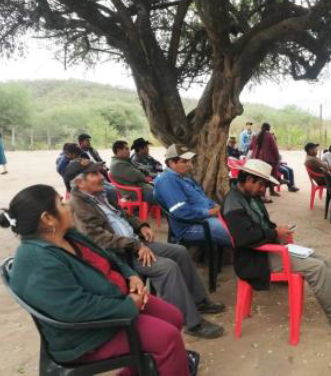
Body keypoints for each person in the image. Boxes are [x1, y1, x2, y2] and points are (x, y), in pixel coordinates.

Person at [1, 184, 196, 374]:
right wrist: (128, 305)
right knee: (168, 338)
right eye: (61, 203)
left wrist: (131, 275)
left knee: (174, 317)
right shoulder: (37, 261)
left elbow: (107, 257)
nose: (68, 204)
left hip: (116, 300)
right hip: (89, 335)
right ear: (48, 218)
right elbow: (76, 309)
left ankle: (143, 368)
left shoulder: (67, 235)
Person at [67, 159, 225, 339]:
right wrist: (135, 245)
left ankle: (199, 301)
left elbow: (123, 215)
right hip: (120, 255)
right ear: (80, 183)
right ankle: (191, 322)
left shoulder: (100, 194)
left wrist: (141, 225)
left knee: (180, 252)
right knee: (167, 268)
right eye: (94, 174)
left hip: (135, 243)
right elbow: (100, 240)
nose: (100, 177)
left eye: (98, 172)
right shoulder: (79, 206)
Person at [222, 159, 331, 335]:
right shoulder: (233, 203)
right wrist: (275, 234)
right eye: (261, 185)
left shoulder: (250, 197)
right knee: (317, 268)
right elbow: (244, 237)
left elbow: (260, 226)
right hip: (254, 259)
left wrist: (277, 230)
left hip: (267, 249)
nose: (263, 190)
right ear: (249, 180)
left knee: (325, 261)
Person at [153, 144, 232, 247]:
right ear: (171, 163)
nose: (189, 165)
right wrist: (209, 212)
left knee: (238, 224)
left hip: (205, 219)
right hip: (191, 226)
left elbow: (201, 197)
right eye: (184, 161)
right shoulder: (167, 180)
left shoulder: (185, 177)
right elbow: (181, 212)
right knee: (236, 234)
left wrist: (214, 205)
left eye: (189, 161)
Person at [110, 140, 157, 204]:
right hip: (136, 194)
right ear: (118, 150)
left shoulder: (122, 161)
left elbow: (139, 172)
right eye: (126, 149)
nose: (129, 151)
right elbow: (138, 176)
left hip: (142, 189)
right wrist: (145, 177)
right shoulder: (118, 164)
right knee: (163, 196)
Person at [250, 123, 281, 197]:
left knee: (260, 177)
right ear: (269, 128)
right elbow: (274, 148)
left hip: (256, 159)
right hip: (268, 159)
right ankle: (266, 193)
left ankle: (259, 193)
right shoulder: (269, 135)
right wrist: (277, 158)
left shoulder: (255, 135)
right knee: (270, 176)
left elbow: (251, 147)